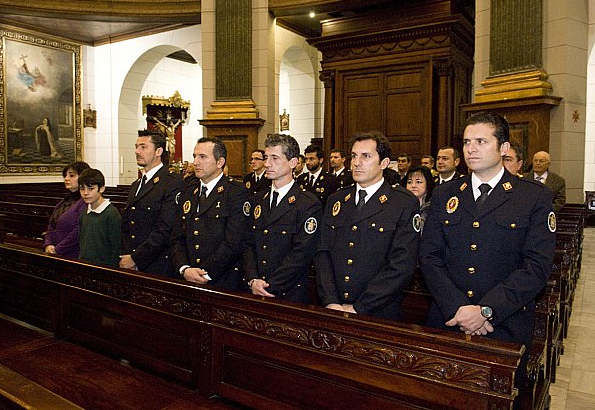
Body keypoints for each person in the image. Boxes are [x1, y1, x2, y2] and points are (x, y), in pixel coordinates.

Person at [419, 111, 556, 389]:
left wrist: (486, 311)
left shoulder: (533, 197)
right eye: (467, 142)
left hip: (505, 323)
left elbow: (536, 268)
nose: (471, 148)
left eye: (481, 141)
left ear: (503, 148)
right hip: (448, 317)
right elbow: (429, 257)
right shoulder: (446, 193)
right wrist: (459, 306)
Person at [315, 131, 420, 320]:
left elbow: (402, 264)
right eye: (354, 156)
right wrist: (331, 301)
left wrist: (361, 307)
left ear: (384, 163)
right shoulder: (337, 200)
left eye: (366, 156)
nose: (356, 162)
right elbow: (323, 252)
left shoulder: (402, 203)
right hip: (334, 308)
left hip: (378, 312)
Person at [243, 134, 322, 303]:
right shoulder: (258, 200)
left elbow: (302, 253)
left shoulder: (307, 203)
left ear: (293, 163)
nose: (267, 164)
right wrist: (252, 279)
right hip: (255, 289)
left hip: (289, 293)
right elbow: (248, 243)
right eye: (266, 158)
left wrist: (270, 285)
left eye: (275, 158)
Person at [170, 137, 250, 290]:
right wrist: (184, 268)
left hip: (222, 280)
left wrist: (205, 273)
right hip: (188, 277)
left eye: (203, 157)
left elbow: (234, 242)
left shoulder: (235, 192)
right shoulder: (188, 192)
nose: (196, 162)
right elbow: (177, 237)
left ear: (220, 162)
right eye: (194, 156)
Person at [120, 130, 184, 276]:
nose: (137, 151)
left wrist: (136, 258)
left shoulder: (171, 182)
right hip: (131, 263)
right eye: (136, 146)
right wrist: (126, 256)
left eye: (143, 147)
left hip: (157, 264)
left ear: (158, 151)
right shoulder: (136, 185)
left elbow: (165, 228)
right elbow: (127, 225)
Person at [44, 161, 91, 258]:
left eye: (71, 176)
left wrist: (58, 249)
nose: (66, 179)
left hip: (72, 253)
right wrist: (48, 244)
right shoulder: (63, 202)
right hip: (54, 250)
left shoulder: (85, 202)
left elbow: (78, 230)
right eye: (65, 176)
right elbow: (51, 225)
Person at [78, 168, 121, 266]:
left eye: (90, 188)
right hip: (85, 264)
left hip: (104, 267)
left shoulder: (111, 214)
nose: (85, 193)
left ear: (101, 188)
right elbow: (82, 242)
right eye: (82, 188)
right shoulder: (84, 214)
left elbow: (116, 248)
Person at [405, 165, 435, 233]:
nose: (413, 186)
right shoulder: (401, 206)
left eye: (418, 182)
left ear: (428, 184)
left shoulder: (434, 207)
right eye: (409, 182)